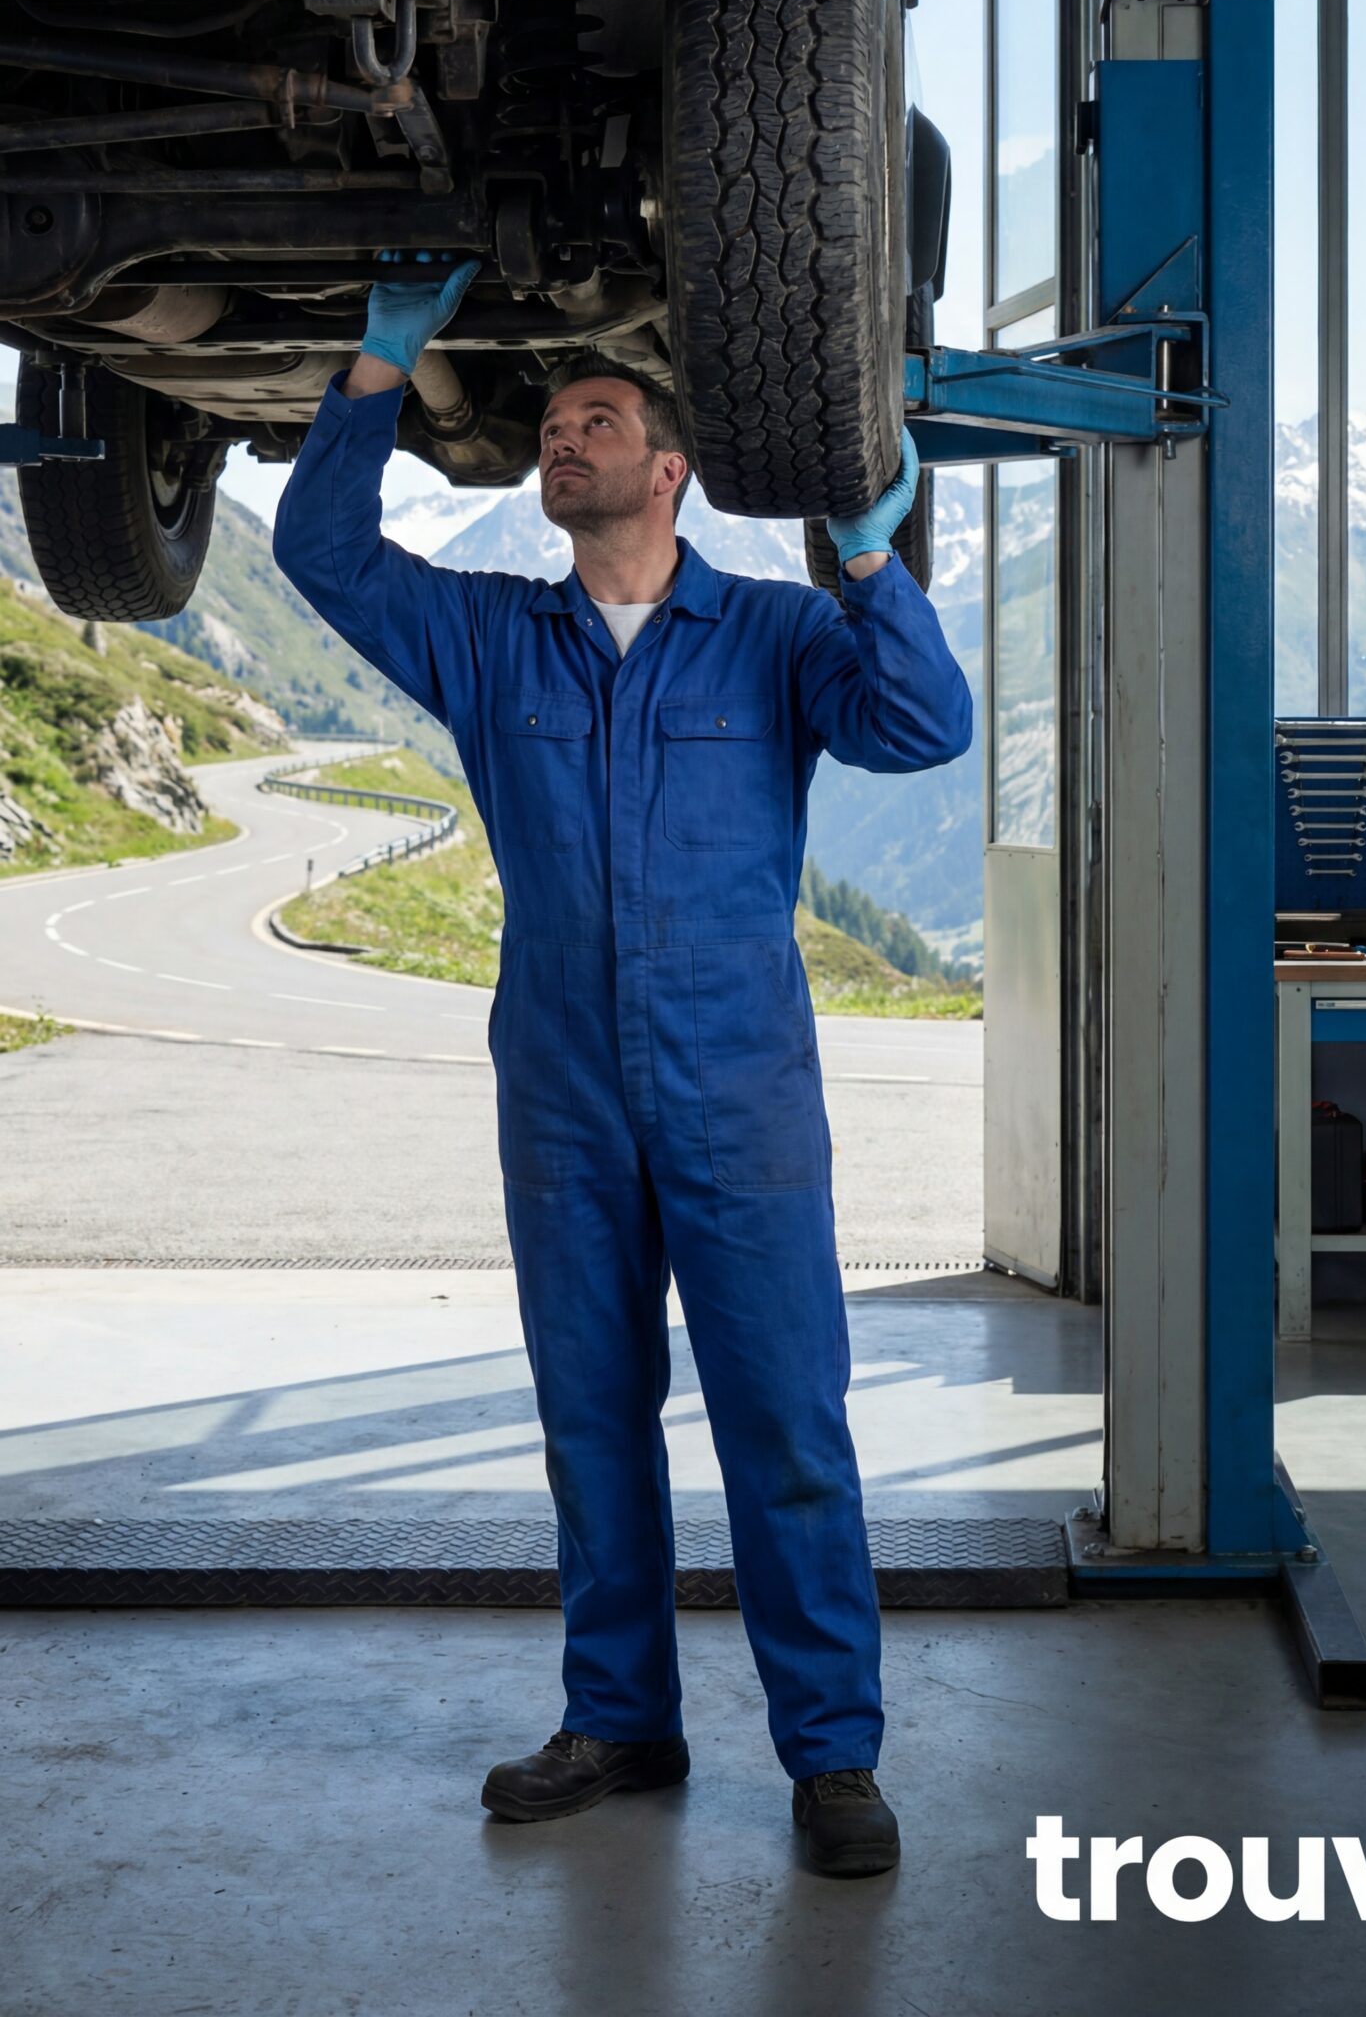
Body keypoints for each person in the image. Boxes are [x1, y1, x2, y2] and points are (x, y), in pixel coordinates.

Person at [273, 256, 972, 1878]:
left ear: (671, 474)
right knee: (592, 1415)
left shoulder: (781, 637)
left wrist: (870, 555)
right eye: (553, 426)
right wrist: (381, 369)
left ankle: (832, 1757)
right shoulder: (489, 639)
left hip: (739, 1093)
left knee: (785, 1423)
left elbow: (925, 728)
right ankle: (621, 1718)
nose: (559, 442)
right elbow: (320, 549)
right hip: (567, 1095)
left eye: (596, 422)